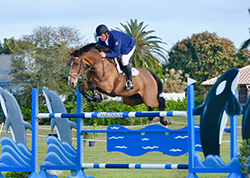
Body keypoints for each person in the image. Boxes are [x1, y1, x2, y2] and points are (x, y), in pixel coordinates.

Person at [96, 24, 136, 90]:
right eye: (99, 36)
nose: (100, 37)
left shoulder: (115, 39)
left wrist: (106, 55)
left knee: (124, 60)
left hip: (128, 46)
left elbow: (116, 54)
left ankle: (130, 81)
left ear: (106, 34)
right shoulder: (101, 40)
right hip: (119, 47)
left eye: (101, 35)